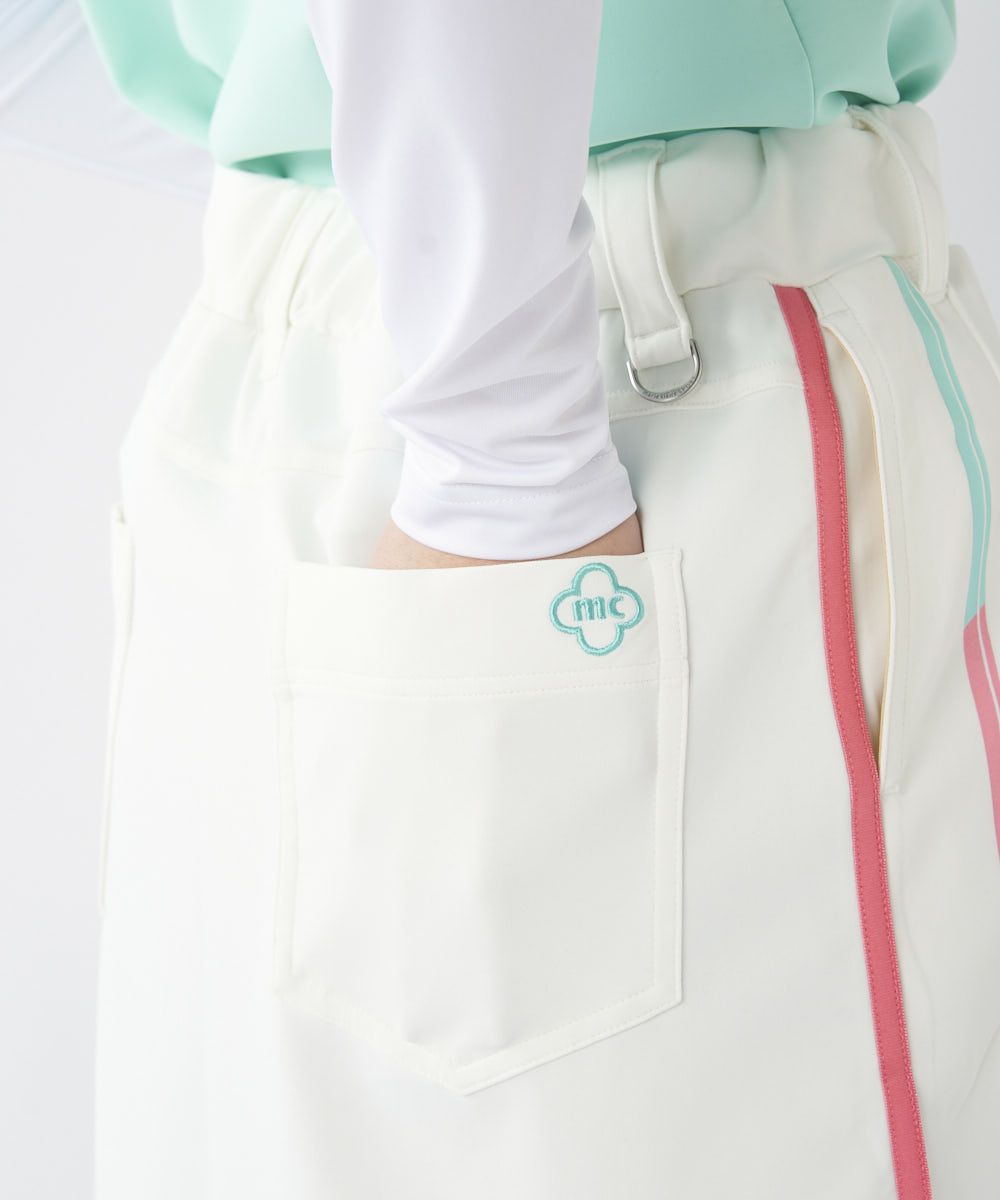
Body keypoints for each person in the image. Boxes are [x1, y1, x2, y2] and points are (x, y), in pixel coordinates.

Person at [80, 2, 1000, 1196]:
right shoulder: (505, 431)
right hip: (586, 376)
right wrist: (503, 456)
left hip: (323, 357)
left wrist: (352, 184)